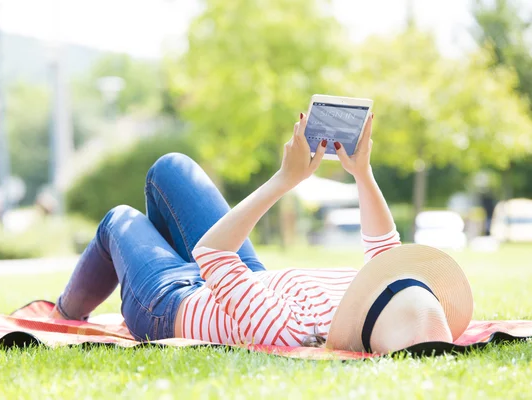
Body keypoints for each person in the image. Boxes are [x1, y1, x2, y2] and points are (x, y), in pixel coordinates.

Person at [49, 113, 473, 354]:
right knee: (170, 168)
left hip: (172, 303)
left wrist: (285, 180)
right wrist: (361, 173)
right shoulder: (373, 296)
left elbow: (211, 253)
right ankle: (152, 258)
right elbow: (384, 249)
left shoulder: (290, 332)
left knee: (119, 220)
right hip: (247, 280)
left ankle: (65, 312)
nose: (394, 281)